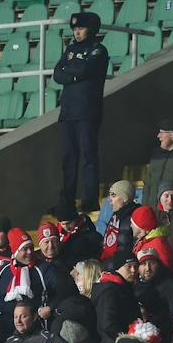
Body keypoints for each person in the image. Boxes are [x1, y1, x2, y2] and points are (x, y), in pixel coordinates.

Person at [51, 11, 110, 214]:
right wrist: (74, 73)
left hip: (87, 111)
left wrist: (71, 71)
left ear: (91, 29)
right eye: (75, 29)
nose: (77, 32)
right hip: (68, 111)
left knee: (88, 156)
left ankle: (89, 200)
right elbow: (57, 74)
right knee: (68, 158)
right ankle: (66, 201)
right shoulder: (70, 49)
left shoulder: (98, 50)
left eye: (81, 28)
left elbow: (85, 70)